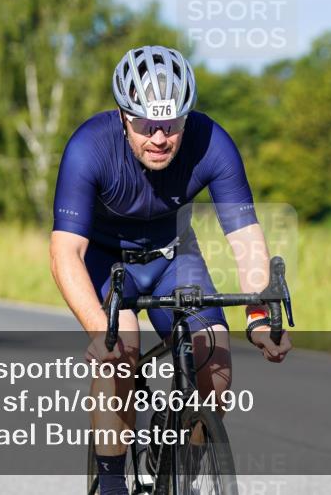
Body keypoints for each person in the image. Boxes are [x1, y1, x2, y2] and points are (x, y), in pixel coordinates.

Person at [50, 45, 292, 495]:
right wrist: (95, 331)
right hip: (108, 261)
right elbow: (65, 252)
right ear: (123, 116)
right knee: (120, 349)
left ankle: (184, 472)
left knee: (215, 368)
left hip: (173, 256)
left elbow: (245, 237)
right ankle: (111, 485)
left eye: (173, 123)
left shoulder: (211, 142)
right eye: (146, 123)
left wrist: (259, 316)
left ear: (187, 117)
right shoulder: (89, 147)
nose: (160, 138)